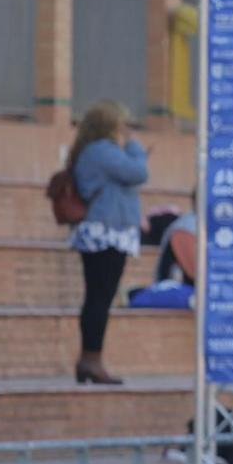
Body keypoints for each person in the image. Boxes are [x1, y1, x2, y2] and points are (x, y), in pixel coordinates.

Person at [65, 101, 148, 386]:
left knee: (99, 298)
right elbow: (138, 173)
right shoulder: (102, 151)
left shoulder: (98, 152)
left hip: (110, 230)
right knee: (99, 299)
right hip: (105, 231)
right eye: (122, 125)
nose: (126, 131)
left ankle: (90, 358)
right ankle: (91, 359)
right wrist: (136, 147)